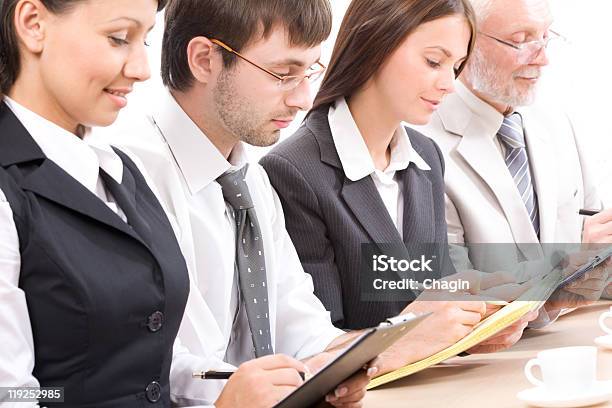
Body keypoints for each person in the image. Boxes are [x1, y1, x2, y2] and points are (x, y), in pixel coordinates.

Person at [260, 0, 535, 353]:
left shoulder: (426, 157)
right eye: (434, 62)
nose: (449, 84)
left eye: (456, 66)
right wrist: (413, 330)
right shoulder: (293, 170)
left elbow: (433, 293)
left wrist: (476, 322)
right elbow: (320, 345)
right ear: (376, 42)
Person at [0, 0, 191, 407]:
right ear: (33, 24)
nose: (142, 69)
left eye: (146, 40)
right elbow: (10, 394)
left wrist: (229, 387)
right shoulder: (7, 189)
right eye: (119, 38)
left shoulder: (121, 168)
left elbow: (140, 356)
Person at [410, 0, 610, 317]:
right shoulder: (419, 145)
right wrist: (570, 268)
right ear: (465, 42)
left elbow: (596, 249)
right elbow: (452, 292)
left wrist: (600, 256)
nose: (543, 59)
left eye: (545, 37)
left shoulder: (555, 120)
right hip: (484, 358)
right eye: (521, 40)